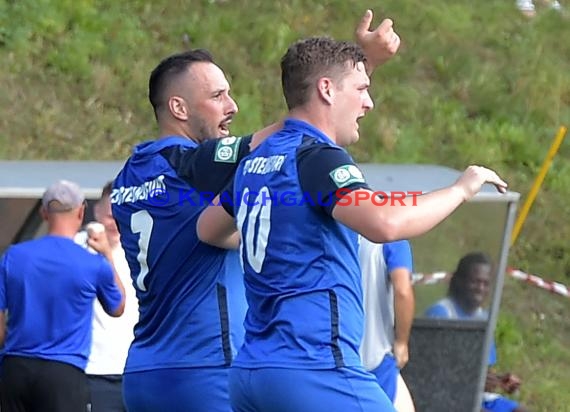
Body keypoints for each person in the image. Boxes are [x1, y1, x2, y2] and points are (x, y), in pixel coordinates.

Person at [196, 35, 508, 412]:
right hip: (313, 367)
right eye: (361, 88)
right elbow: (385, 224)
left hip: (251, 373)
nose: (368, 102)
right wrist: (461, 189)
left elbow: (207, 229)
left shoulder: (254, 163)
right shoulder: (318, 158)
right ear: (326, 89)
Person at [111, 10, 402, 412]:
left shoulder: (129, 175)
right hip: (206, 367)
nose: (232, 106)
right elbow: (298, 127)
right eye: (217, 97)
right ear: (178, 107)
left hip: (144, 370)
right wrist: (361, 65)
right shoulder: (194, 165)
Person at [0, 180, 125, 412]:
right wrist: (107, 254)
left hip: (15, 367)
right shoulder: (91, 263)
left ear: (43, 213)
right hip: (64, 371)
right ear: (81, 211)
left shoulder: (13, 256)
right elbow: (117, 306)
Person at [425, 252, 529, 412]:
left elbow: (484, 369)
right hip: (446, 397)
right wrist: (473, 381)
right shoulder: (442, 313)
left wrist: (500, 380)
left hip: (478, 397)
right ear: (459, 281)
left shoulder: (483, 318)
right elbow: (430, 370)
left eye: (485, 284)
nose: (480, 288)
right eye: (475, 282)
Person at [76, 182, 139, 412]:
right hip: (94, 369)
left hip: (133, 369)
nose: (116, 224)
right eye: (111, 216)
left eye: (122, 216)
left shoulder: (138, 250)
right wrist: (105, 253)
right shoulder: (77, 248)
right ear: (97, 212)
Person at [359, 239, 416, 412]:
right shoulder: (393, 240)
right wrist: (401, 341)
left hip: (331, 358)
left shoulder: (335, 231)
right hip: (375, 362)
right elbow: (403, 291)